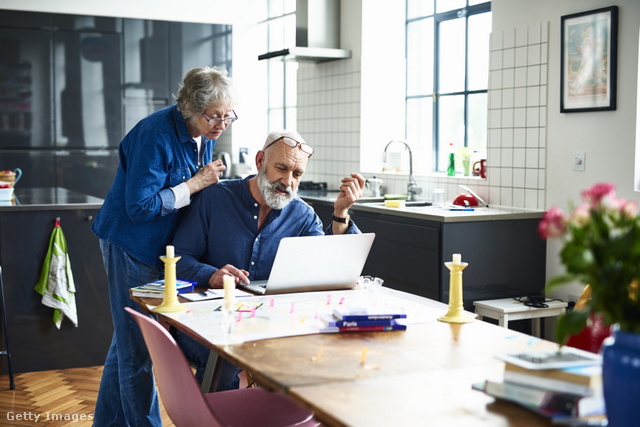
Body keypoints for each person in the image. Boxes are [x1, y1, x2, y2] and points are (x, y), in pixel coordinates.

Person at [90, 66, 237, 427]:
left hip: (159, 249)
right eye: (213, 116)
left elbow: (197, 183)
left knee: (127, 343)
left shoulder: (206, 131)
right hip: (130, 244)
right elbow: (139, 207)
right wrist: (196, 183)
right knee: (137, 349)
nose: (221, 124)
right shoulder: (156, 134)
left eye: (227, 115)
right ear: (188, 106)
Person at [172, 129, 365, 389]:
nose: (287, 181)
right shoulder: (214, 199)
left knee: (318, 353)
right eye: (282, 168)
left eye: (297, 174)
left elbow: (330, 266)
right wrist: (211, 274)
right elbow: (178, 258)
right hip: (207, 321)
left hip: (272, 323)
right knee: (224, 358)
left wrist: (341, 212)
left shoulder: (302, 215)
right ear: (260, 160)